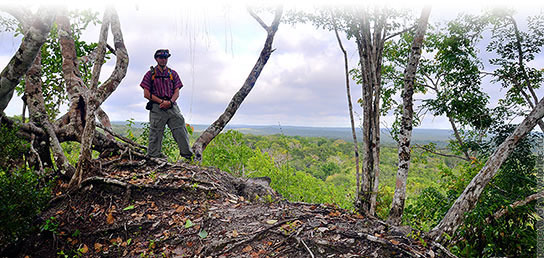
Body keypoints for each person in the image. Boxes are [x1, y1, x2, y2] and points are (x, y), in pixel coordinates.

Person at [140, 49, 193, 160]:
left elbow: (177, 91)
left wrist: (170, 102)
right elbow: (146, 93)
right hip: (156, 107)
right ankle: (153, 158)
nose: (163, 60)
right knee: (155, 133)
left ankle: (187, 155)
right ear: (156, 59)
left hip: (171, 105)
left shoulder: (172, 73)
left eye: (165, 58)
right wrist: (161, 102)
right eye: (161, 58)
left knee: (180, 129)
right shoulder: (150, 74)